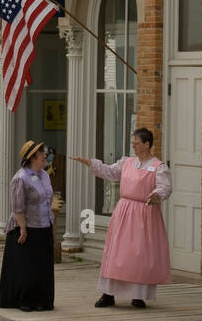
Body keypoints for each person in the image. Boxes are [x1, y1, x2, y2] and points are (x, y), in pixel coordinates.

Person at [70, 128, 172, 309]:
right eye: (132, 142)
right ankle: (108, 294)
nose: (133, 146)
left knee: (140, 256)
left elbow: (165, 187)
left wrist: (156, 195)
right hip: (125, 212)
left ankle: (138, 295)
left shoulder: (158, 166)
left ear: (147, 144)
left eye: (137, 143)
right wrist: (89, 163)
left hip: (145, 213)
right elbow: (109, 172)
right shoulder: (127, 162)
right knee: (117, 253)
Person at [0, 139, 56, 312]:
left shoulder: (44, 175)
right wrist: (22, 228)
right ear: (32, 158)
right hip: (27, 227)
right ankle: (25, 299)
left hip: (44, 225)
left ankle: (41, 300)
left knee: (42, 265)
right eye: (41, 153)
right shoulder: (21, 178)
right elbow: (18, 206)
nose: (45, 155)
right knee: (27, 266)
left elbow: (48, 198)